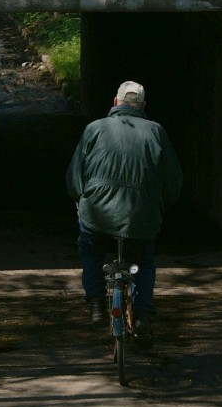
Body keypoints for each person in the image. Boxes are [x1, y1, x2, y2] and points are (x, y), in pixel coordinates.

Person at [65, 80, 183, 347]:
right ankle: (141, 313)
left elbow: (74, 176)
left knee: (90, 249)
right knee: (143, 259)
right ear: (143, 106)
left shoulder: (94, 129)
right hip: (142, 215)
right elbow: (173, 182)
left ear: (115, 103)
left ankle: (96, 302)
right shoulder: (156, 131)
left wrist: (81, 201)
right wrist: (158, 206)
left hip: (97, 213)